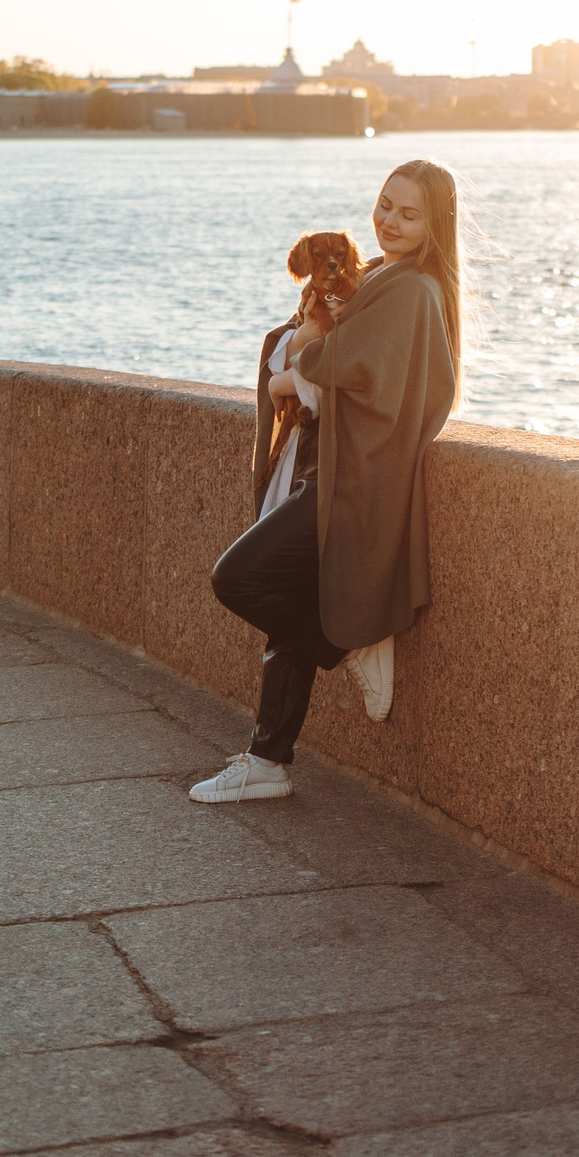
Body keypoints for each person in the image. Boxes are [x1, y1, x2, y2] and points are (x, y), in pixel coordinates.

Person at [191, 159, 463, 804]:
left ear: (435, 224)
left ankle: (348, 637)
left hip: (353, 474)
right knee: (285, 595)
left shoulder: (413, 290)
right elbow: (327, 348)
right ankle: (267, 760)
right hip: (326, 458)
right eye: (384, 204)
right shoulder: (381, 277)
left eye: (408, 213)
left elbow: (342, 363)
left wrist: (291, 373)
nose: (389, 221)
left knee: (239, 577)